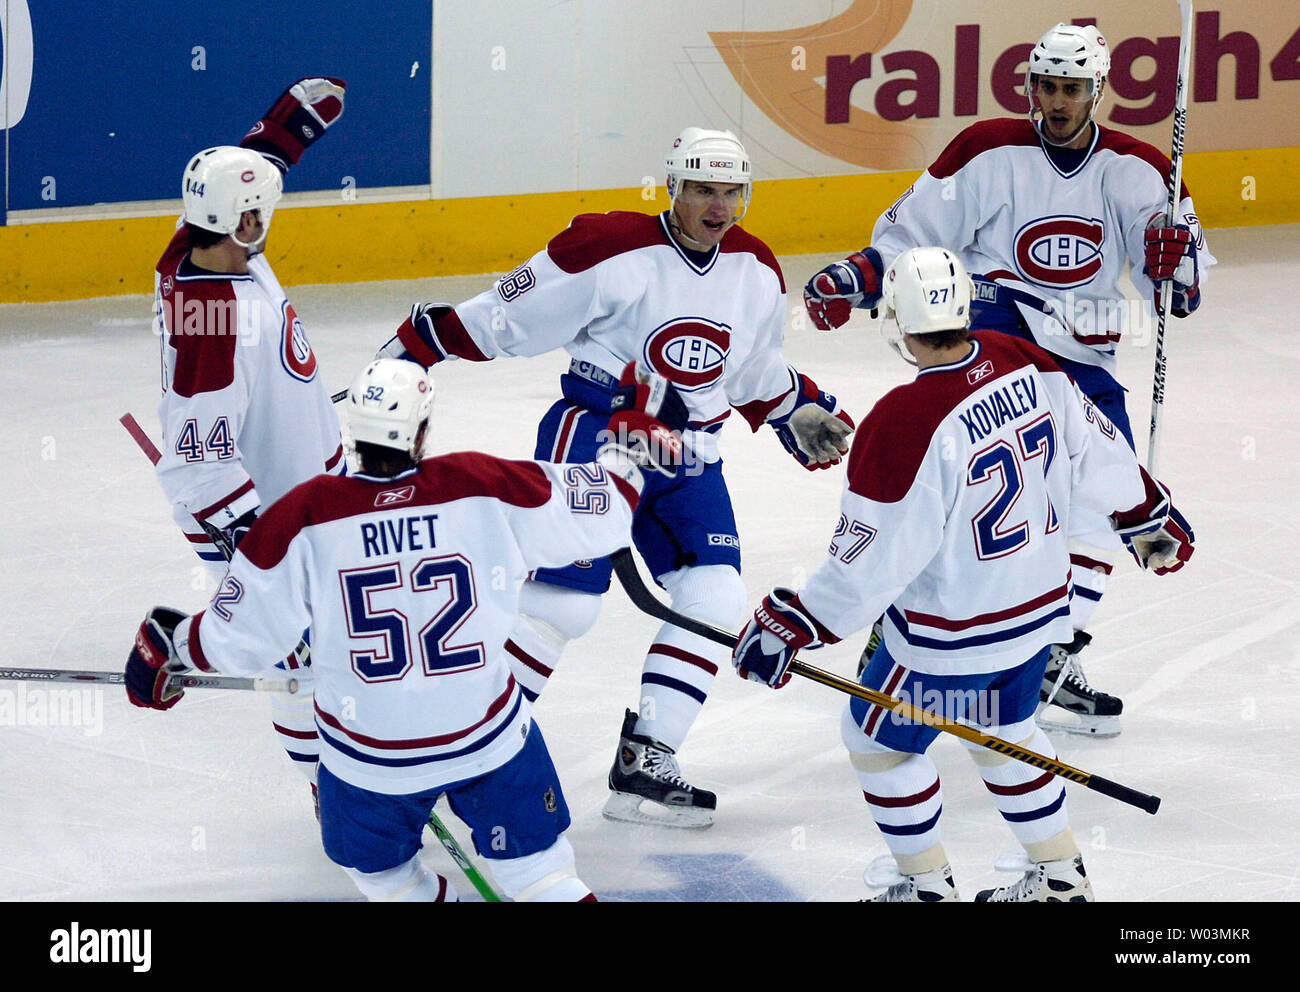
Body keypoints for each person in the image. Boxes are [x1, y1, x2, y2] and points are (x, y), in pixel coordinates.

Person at [378, 127, 856, 827]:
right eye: (703, 191)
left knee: (716, 598)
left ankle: (645, 761)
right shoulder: (608, 247)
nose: (718, 209)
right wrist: (421, 345)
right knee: (564, 605)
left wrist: (796, 407)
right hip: (596, 435)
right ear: (674, 188)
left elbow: (749, 371)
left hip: (688, 455)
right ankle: (455, 755)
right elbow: (509, 316)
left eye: (731, 194)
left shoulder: (755, 269)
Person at [125, 357, 688, 901]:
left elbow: (239, 643)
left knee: (386, 881)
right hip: (488, 741)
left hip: (369, 760)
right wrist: (632, 437)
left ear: (353, 430)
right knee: (541, 877)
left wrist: (171, 644)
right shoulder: (480, 484)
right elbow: (606, 513)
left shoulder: (302, 516)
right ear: (420, 431)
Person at [732, 248, 1195, 901]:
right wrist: (1147, 515)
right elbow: (1097, 447)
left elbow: (872, 560)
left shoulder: (902, 421)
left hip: (947, 643)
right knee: (1007, 732)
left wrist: (796, 623)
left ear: (896, 319)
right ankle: (1061, 877)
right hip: (1036, 618)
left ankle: (924, 887)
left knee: (876, 741)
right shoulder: (1019, 356)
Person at [802, 23, 1213, 737]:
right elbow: (909, 238)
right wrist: (858, 276)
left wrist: (1171, 261)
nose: (1056, 102)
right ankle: (909, 628)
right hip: (992, 333)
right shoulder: (987, 150)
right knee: (967, 492)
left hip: (1082, 358)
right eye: (1045, 86)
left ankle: (1051, 654)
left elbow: (1175, 297)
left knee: (1101, 507)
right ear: (1029, 87)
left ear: (1098, 91)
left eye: (1072, 88)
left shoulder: (1140, 169)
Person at [151, 78, 347, 794]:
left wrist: (282, 134)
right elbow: (198, 468)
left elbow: (229, 186)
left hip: (304, 497)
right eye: (261, 213)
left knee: (324, 645)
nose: (268, 222)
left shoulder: (201, 247)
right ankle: (325, 787)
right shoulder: (215, 328)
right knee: (292, 660)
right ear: (246, 224)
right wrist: (257, 545)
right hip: (266, 515)